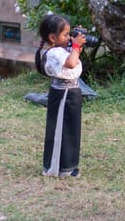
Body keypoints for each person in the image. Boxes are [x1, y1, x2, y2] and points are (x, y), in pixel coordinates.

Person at [35, 14, 87, 177]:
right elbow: (71, 63)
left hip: (72, 92)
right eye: (65, 35)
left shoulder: (61, 50)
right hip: (63, 94)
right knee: (60, 130)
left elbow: (73, 59)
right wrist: (76, 47)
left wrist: (75, 45)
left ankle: (69, 166)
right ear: (52, 37)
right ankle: (56, 168)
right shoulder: (54, 53)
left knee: (72, 131)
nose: (68, 38)